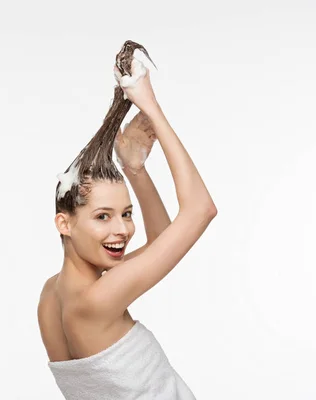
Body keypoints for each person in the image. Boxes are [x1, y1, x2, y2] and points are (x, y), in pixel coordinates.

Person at [37, 54, 217, 399]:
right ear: (65, 223)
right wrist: (150, 106)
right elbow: (201, 209)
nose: (122, 230)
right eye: (103, 216)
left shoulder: (52, 296)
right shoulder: (98, 299)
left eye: (127, 213)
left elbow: (163, 243)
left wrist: (134, 168)